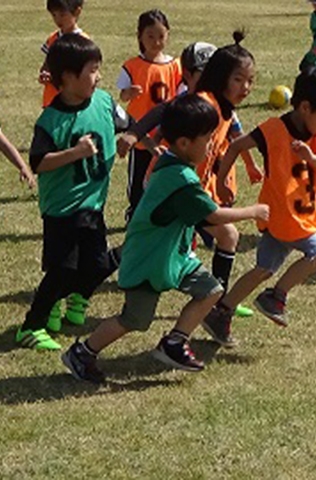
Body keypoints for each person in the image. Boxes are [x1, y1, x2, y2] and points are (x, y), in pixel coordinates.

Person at [61, 94, 269, 383]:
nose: (211, 145)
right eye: (207, 139)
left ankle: (174, 342)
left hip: (174, 256)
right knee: (134, 319)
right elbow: (213, 217)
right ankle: (82, 352)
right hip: (149, 259)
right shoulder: (179, 178)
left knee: (211, 290)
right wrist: (254, 211)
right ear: (184, 143)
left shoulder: (174, 162)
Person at [201, 67, 316, 347]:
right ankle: (276, 296)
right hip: (284, 215)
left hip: (301, 215)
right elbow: (235, 146)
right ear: (305, 107)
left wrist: (310, 157)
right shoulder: (272, 130)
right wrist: (221, 182)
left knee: (263, 268)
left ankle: (221, 312)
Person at [116, 38, 262, 318]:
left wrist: (219, 181)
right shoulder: (205, 103)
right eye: (238, 79)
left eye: (250, 80)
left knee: (163, 243)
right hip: (169, 187)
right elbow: (163, 110)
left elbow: (222, 148)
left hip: (188, 187)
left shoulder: (226, 110)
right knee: (224, 234)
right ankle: (216, 305)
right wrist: (135, 134)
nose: (245, 87)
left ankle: (215, 301)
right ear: (221, 78)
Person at [16, 35, 129, 350]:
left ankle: (67, 300)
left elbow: (128, 124)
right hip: (62, 209)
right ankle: (31, 326)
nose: (99, 76)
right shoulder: (51, 121)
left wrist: (139, 140)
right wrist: (74, 153)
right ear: (66, 78)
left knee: (95, 266)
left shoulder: (104, 102)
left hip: (93, 204)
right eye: (92, 70)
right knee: (62, 269)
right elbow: (38, 163)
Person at [116, 9, 182, 221]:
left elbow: (180, 95)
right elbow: (123, 96)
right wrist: (129, 93)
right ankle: (134, 213)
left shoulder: (175, 66)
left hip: (166, 135)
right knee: (138, 180)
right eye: (150, 37)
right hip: (140, 135)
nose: (156, 42)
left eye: (161, 36)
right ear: (140, 37)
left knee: (162, 176)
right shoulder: (132, 66)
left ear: (168, 35)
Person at [39, 0, 89, 108]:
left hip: (73, 101)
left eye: (62, 15)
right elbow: (46, 65)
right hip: (51, 100)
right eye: (54, 15)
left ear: (77, 12)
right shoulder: (53, 39)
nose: (58, 20)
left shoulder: (83, 42)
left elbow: (87, 72)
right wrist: (44, 74)